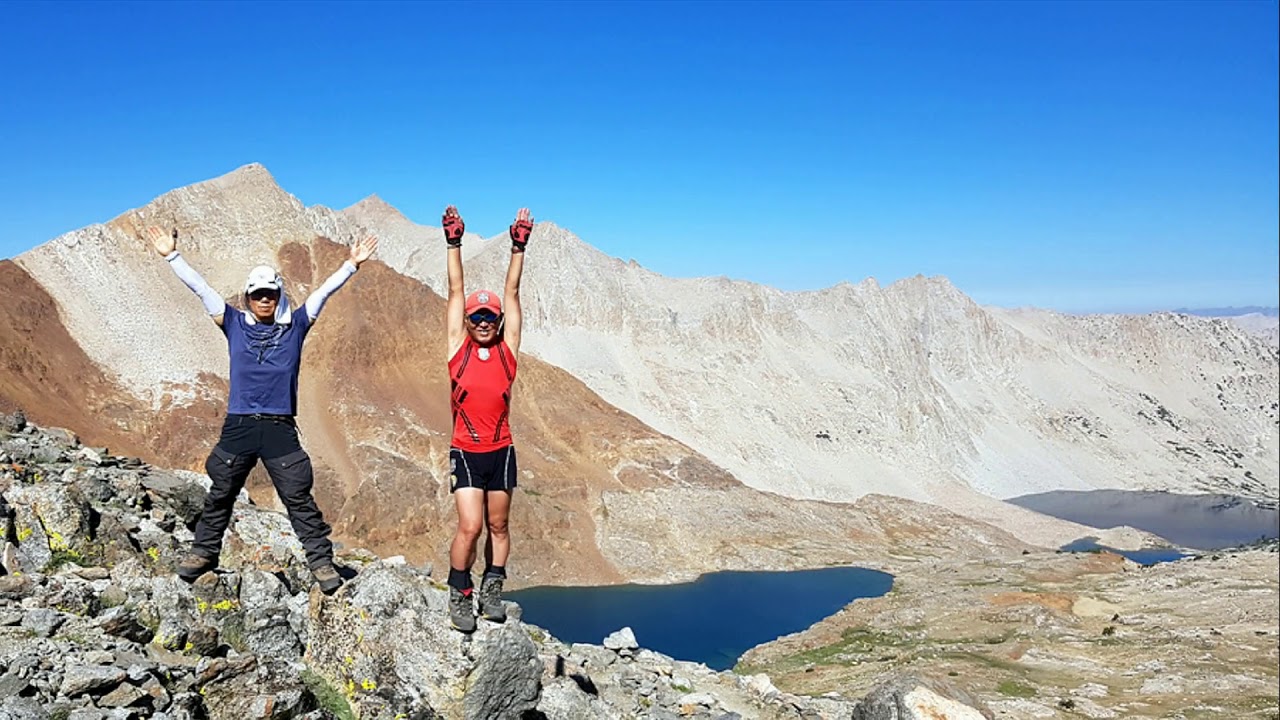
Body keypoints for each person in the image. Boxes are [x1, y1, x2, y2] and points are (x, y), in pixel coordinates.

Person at [146, 225, 378, 593]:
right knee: (221, 491)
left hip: (279, 428)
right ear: (249, 297)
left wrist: (351, 264)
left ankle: (321, 562)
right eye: (258, 295)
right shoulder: (233, 323)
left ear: (279, 294)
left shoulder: (296, 325)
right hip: (239, 424)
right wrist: (171, 256)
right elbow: (200, 288)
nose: (265, 300)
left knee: (297, 497)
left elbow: (324, 293)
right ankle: (203, 553)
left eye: (270, 294)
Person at [442, 205, 532, 631]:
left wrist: (518, 247)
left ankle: (492, 587)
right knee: (470, 526)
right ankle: (459, 592)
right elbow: (455, 289)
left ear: (498, 321)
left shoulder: (506, 352)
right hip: (466, 450)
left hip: (502, 451)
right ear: (467, 321)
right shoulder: (456, 351)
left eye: (489, 316)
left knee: (499, 524)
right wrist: (454, 244)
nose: (482, 321)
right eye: (476, 316)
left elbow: (511, 295)